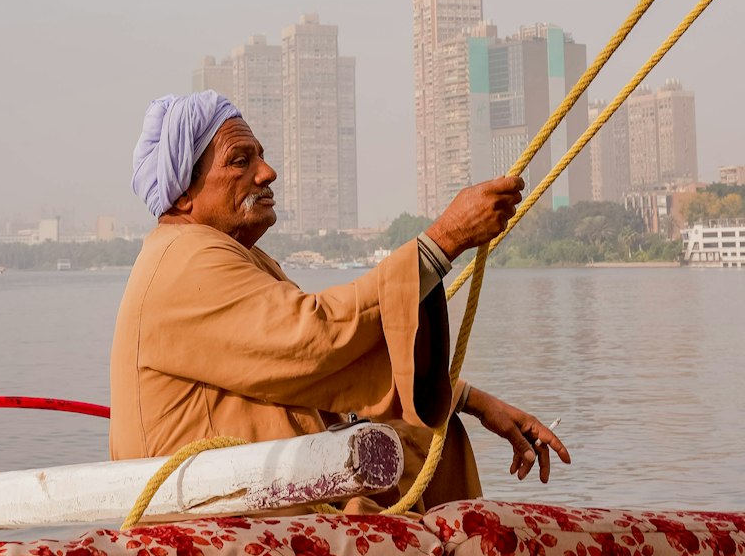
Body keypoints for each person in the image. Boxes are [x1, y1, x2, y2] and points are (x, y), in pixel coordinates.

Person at [110, 91, 569, 509]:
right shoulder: (187, 260)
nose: (267, 173)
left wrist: (470, 399)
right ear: (185, 194)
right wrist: (443, 240)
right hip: (219, 534)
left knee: (423, 439)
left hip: (259, 513)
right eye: (240, 160)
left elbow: (320, 362)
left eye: (262, 157)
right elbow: (314, 339)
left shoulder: (226, 256)